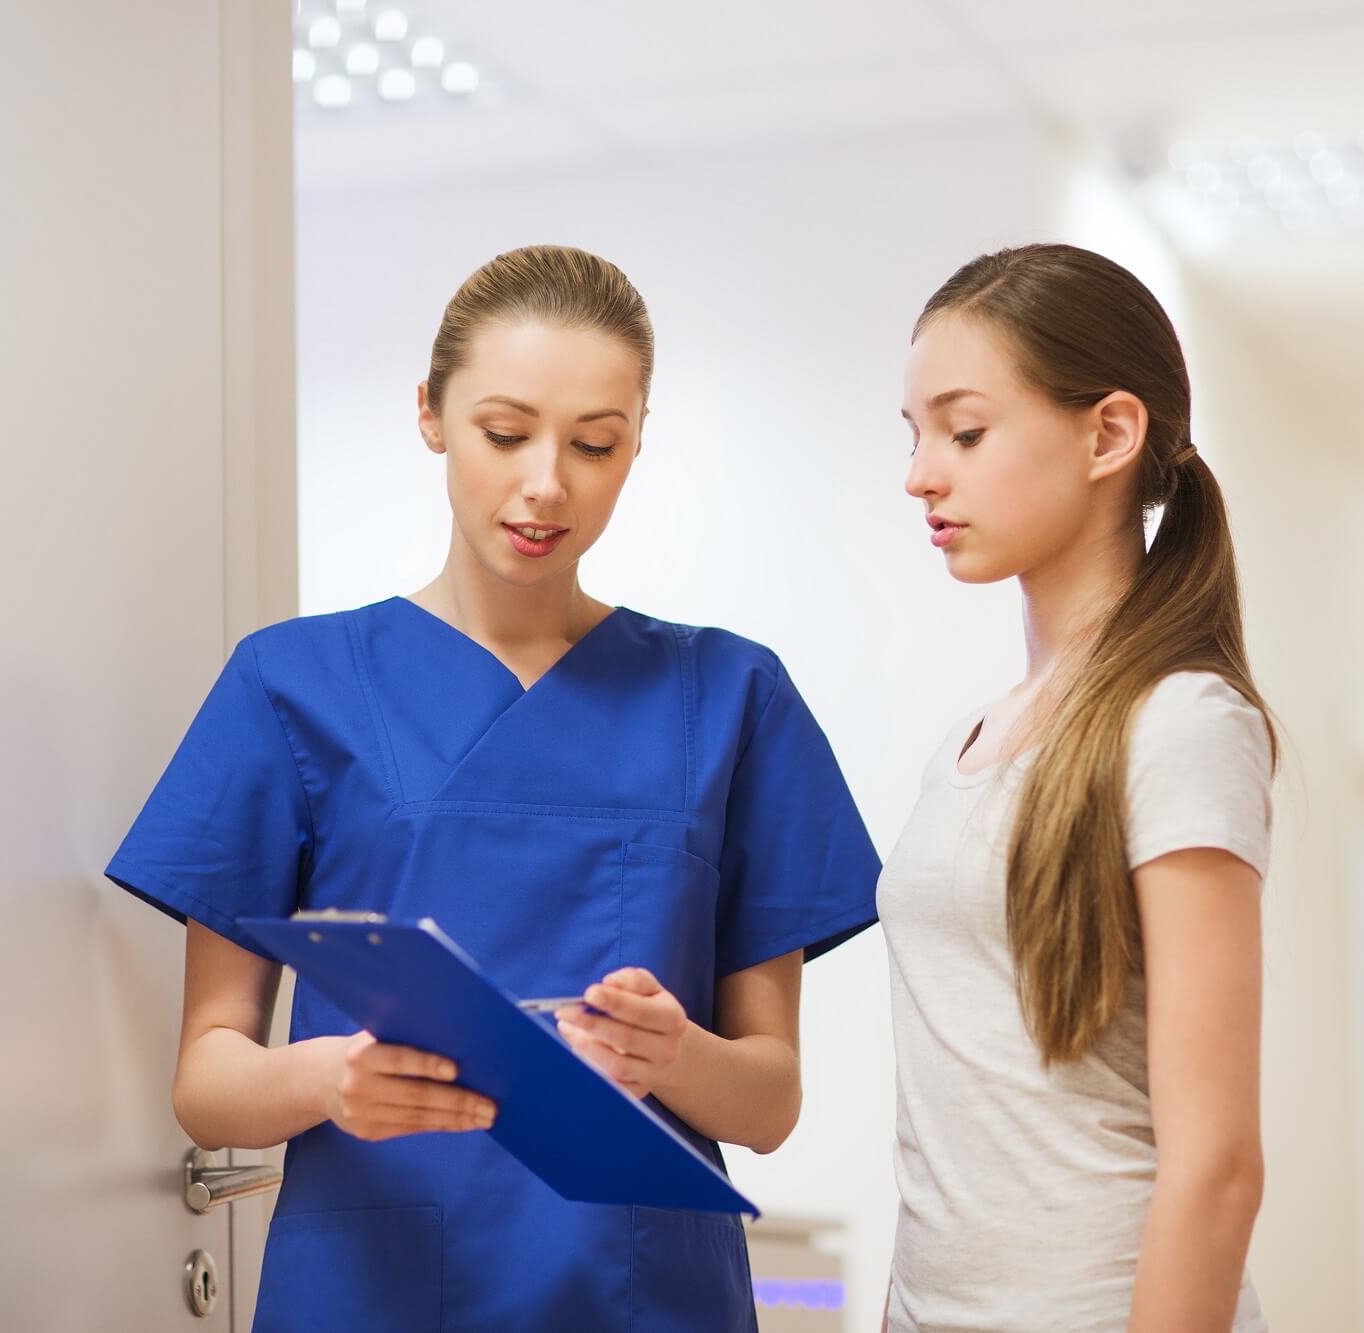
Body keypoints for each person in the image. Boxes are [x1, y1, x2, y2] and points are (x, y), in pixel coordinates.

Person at [106, 245, 881, 1332]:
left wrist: (674, 1053)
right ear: (430, 413)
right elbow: (207, 1074)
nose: (546, 483)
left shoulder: (729, 697)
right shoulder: (292, 686)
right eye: (505, 432)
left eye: (595, 443)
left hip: (647, 1294)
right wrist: (329, 1079)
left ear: (637, 441)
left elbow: (768, 1101)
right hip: (368, 1290)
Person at [880, 244, 1275, 1331]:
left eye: (962, 432)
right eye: (912, 435)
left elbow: (1218, 1165)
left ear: (1108, 432)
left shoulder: (1181, 723)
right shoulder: (967, 742)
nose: (921, 473)